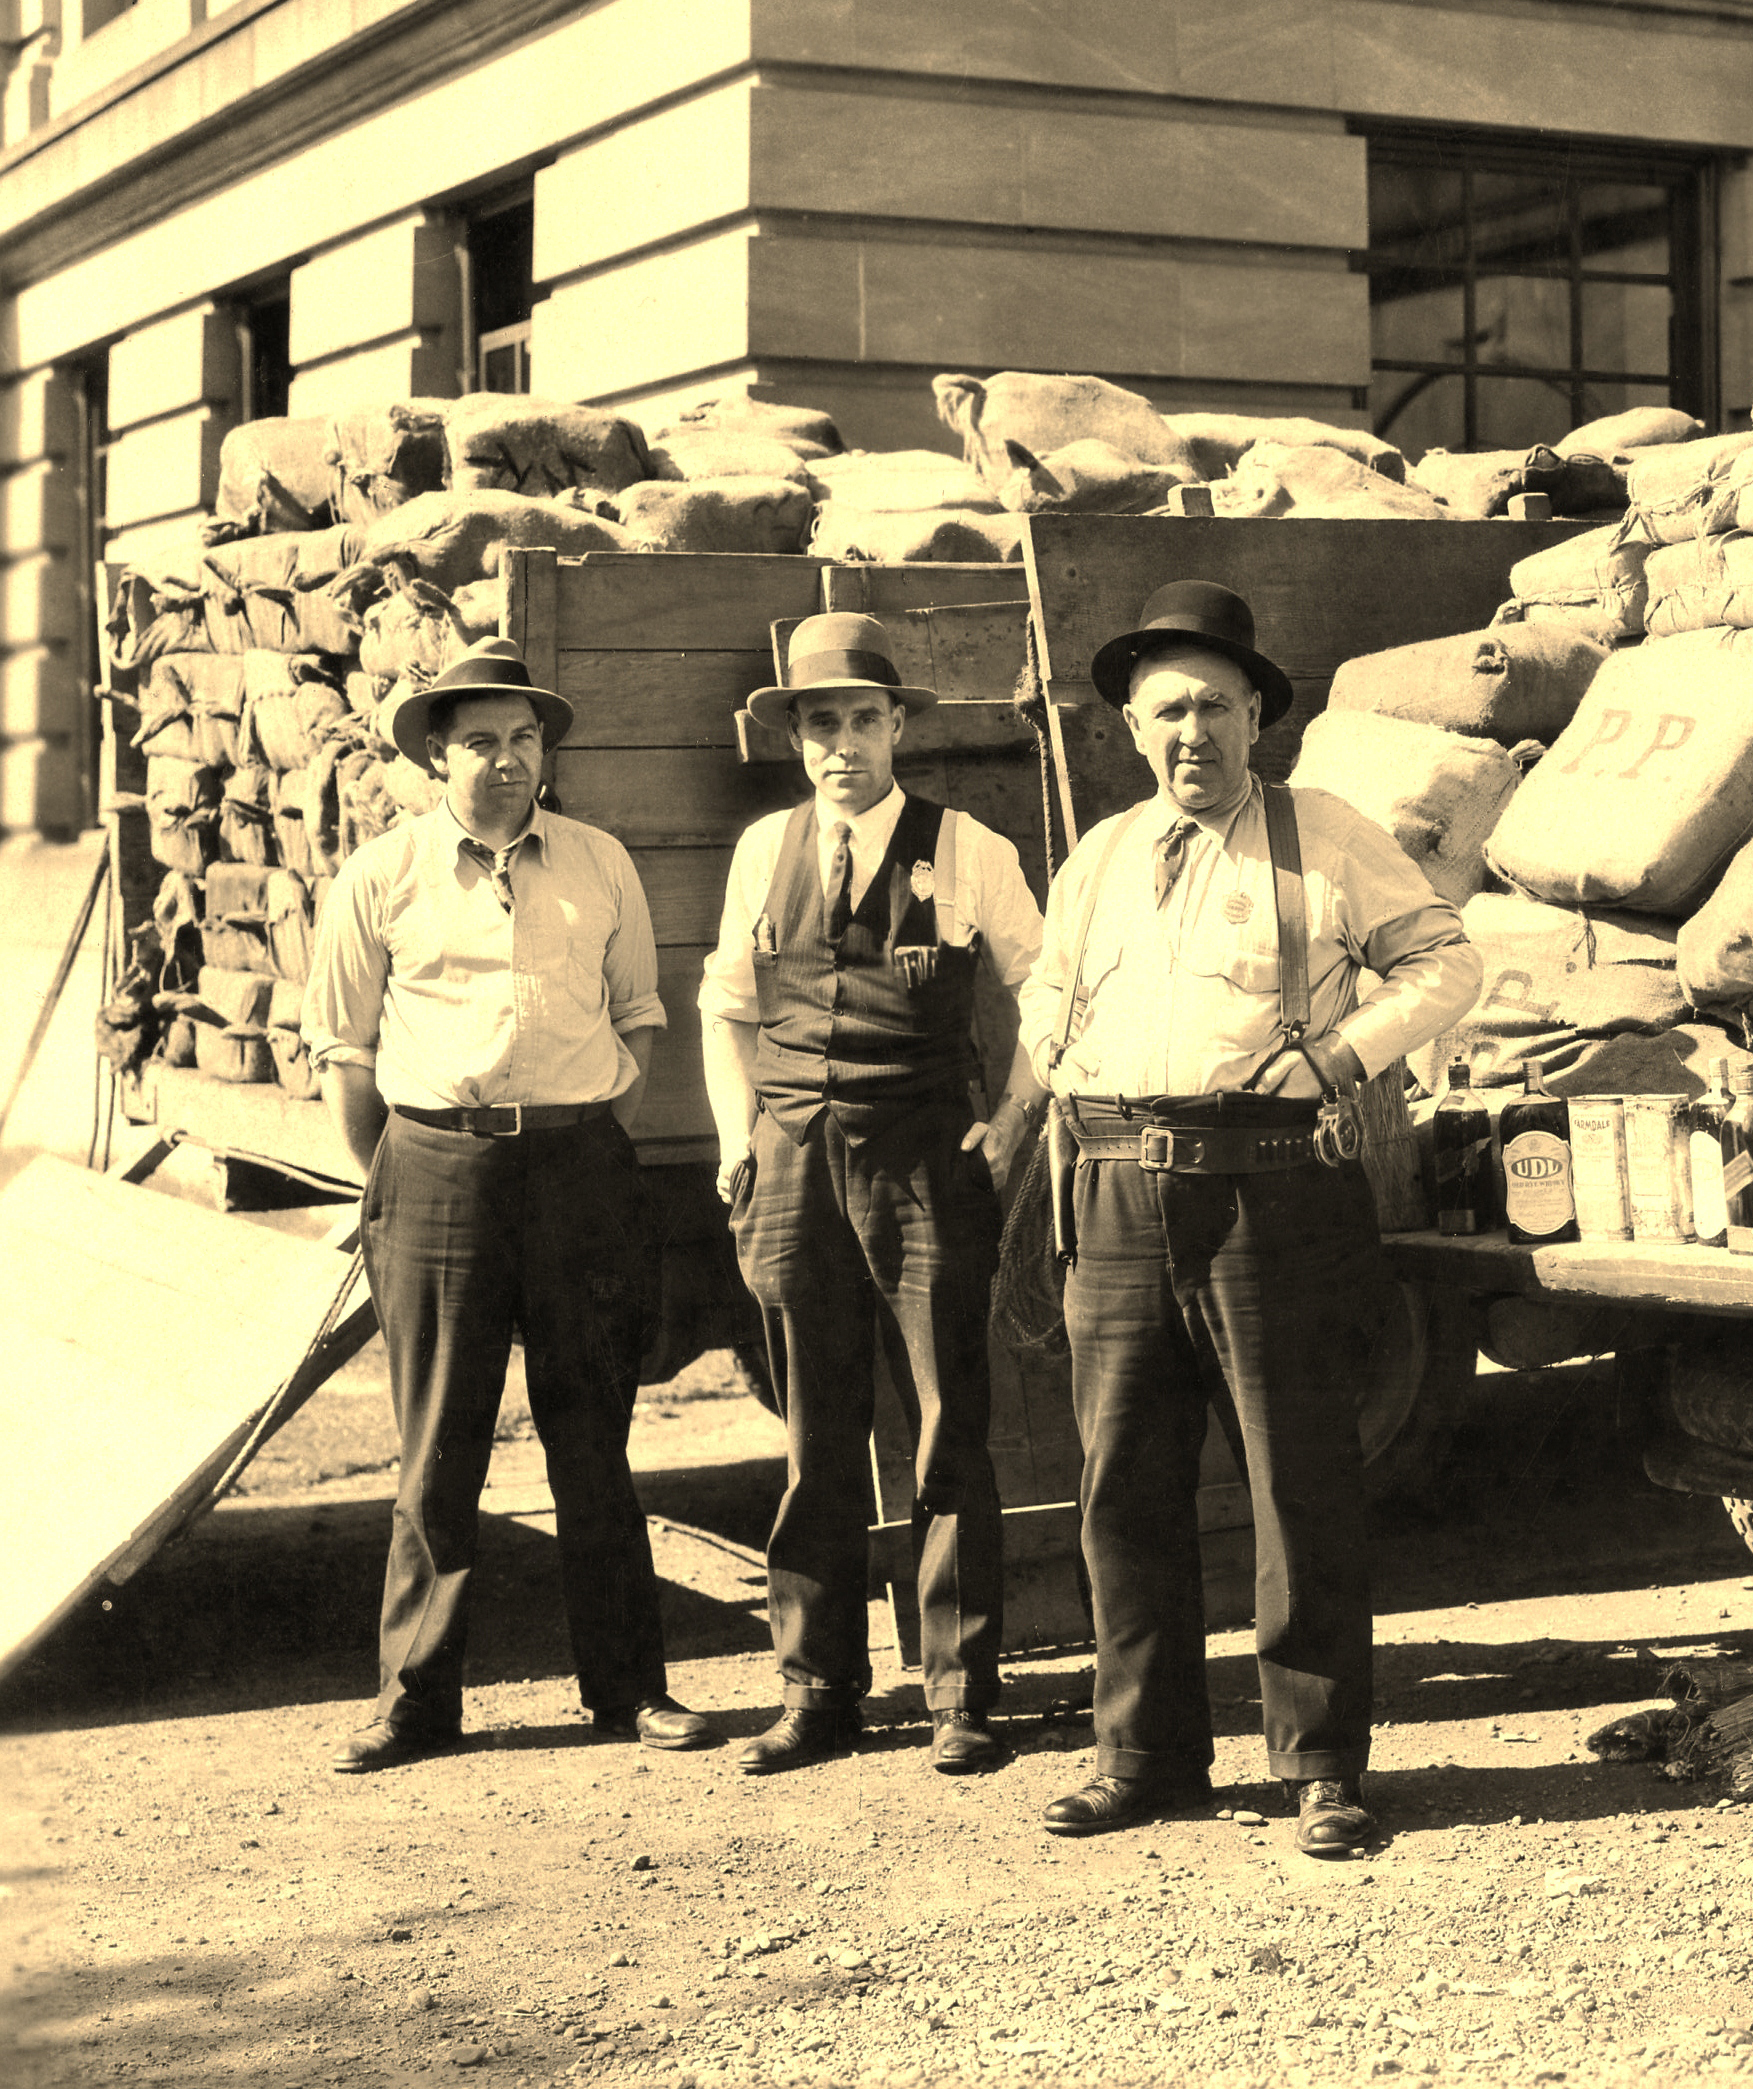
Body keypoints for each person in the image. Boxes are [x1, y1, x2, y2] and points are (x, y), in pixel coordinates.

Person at [991, 580, 1476, 1855]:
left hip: (1267, 1189)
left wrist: (1339, 1059)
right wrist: (1056, 1050)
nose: (1189, 733)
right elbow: (1043, 989)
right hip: (1109, 1189)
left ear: (1257, 712)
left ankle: (1321, 1766)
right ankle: (1142, 1755)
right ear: (1131, 730)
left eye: (1213, 705)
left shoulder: (1322, 831)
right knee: (1122, 1487)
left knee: (1297, 1478)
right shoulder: (1101, 851)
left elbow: (1446, 963)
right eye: (1165, 713)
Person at [306, 639, 716, 1772]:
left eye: (523, 739)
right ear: (437, 754)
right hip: (439, 1171)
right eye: (479, 740)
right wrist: (400, 1165)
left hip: (580, 1168)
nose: (504, 760)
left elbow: (638, 1013)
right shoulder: (379, 876)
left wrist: (585, 1114)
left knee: (595, 1435)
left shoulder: (598, 861)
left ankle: (630, 1688)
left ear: (545, 753)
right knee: (440, 1442)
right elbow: (342, 1048)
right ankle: (415, 1700)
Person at [698, 613, 1043, 1776]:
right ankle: (817, 1690)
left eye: (860, 718)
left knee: (946, 1425)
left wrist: (1012, 1123)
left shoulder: (970, 849)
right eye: (818, 723)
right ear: (796, 740)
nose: (841, 743)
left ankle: (960, 1692)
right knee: (813, 1434)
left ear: (898, 726)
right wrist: (732, 1134)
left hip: (921, 1162)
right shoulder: (765, 850)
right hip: (790, 1156)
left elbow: (1048, 1000)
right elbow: (725, 1005)